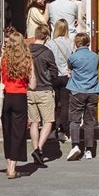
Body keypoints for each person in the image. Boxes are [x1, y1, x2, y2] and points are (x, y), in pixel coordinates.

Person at [0, 33, 34, 178]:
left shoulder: (2, 60)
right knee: (18, 133)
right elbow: (33, 83)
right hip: (20, 96)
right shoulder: (27, 60)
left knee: (7, 132)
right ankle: (12, 168)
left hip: (5, 97)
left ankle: (8, 166)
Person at [65, 32, 99, 161]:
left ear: (76, 43)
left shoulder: (73, 57)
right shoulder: (95, 57)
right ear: (88, 43)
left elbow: (70, 69)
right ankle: (89, 150)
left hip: (77, 91)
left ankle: (75, 145)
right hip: (92, 91)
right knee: (89, 122)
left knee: (75, 120)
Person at [26, 29, 58, 165]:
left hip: (30, 90)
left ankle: (35, 149)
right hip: (44, 90)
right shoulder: (47, 52)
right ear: (46, 37)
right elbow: (54, 71)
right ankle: (39, 149)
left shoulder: (27, 51)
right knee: (48, 121)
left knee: (34, 122)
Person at [46, 20, 74, 143]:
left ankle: (53, 129)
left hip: (54, 76)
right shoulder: (71, 43)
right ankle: (63, 130)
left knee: (53, 105)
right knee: (65, 104)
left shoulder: (50, 43)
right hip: (66, 76)